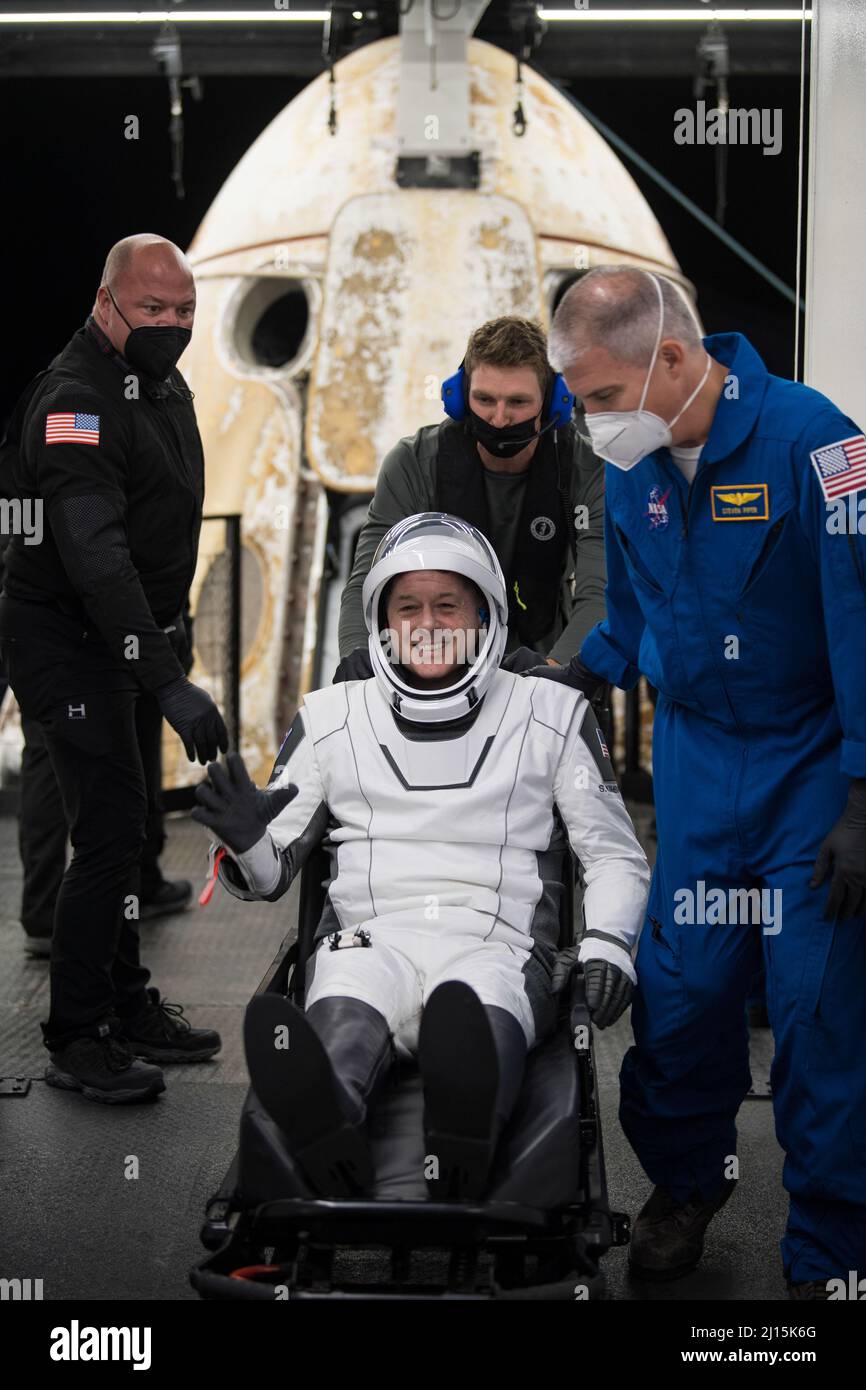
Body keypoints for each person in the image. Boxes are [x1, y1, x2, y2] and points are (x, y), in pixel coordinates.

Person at [537, 264, 866, 1298]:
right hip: (693, 766)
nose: (587, 422)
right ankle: (688, 1181)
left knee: (818, 1017)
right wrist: (566, 677)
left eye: (596, 397)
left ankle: (828, 1251)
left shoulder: (822, 445)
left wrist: (862, 793)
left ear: (670, 359)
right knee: (678, 1003)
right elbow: (633, 611)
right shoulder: (631, 465)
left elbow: (862, 622)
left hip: (807, 763)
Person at [192, 513, 650, 1199]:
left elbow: (613, 853)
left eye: (448, 605)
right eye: (408, 606)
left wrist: (609, 946)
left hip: (496, 943)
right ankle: (325, 1129)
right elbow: (269, 874)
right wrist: (247, 841)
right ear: (381, 620)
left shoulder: (552, 712)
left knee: (478, 1010)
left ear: (485, 615)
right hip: (368, 940)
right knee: (346, 1012)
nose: (427, 622)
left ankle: (461, 1134)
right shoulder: (330, 714)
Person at [0, 233, 229, 1104]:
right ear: (106, 303)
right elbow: (94, 554)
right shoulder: (75, 402)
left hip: (124, 635)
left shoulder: (154, 379)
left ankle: (125, 1004)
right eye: (153, 310)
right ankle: (78, 1034)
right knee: (105, 833)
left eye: (184, 311)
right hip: (68, 638)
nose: (172, 324)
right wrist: (166, 678)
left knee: (129, 831)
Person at [336, 317, 606, 679]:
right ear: (461, 396)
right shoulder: (414, 464)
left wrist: (557, 676)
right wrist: (361, 667)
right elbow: (366, 583)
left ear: (553, 403)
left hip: (544, 664)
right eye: (484, 399)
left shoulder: (586, 469)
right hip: (430, 672)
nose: (499, 419)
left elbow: (600, 591)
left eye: (518, 402)